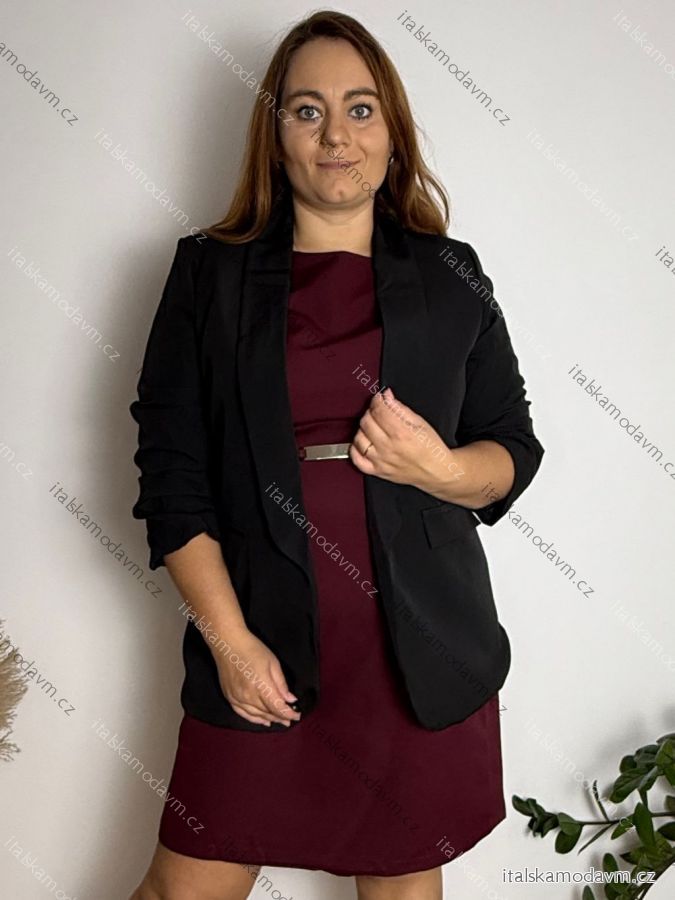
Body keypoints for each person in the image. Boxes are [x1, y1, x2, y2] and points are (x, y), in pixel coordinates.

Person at [128, 10, 544, 900]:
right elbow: (171, 480)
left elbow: (512, 447)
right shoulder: (207, 274)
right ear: (274, 132)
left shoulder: (451, 274)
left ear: (391, 131)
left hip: (419, 652)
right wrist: (230, 643)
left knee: (399, 887)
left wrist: (438, 469)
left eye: (359, 109)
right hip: (260, 636)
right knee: (181, 888)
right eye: (306, 110)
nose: (335, 137)